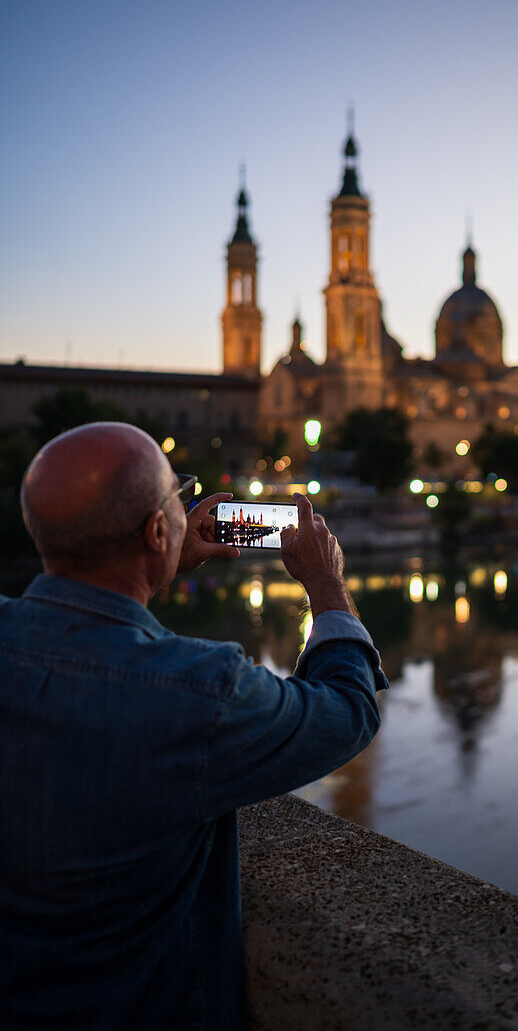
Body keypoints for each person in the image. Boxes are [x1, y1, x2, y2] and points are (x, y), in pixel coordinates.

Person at [0, 422, 387, 1030]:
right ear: (159, 529)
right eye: (176, 498)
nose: (186, 506)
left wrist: (150, 569)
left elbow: (91, 631)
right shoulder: (199, 692)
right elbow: (347, 713)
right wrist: (325, 584)